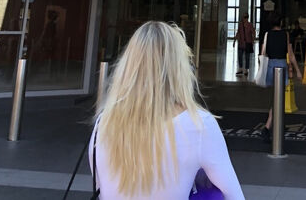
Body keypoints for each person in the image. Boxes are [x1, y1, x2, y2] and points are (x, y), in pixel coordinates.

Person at [90, 21, 245, 200]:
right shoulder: (198, 125)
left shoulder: (103, 123)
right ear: (179, 67)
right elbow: (234, 195)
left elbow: (101, 187)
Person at [260, 13, 301, 140]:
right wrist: (297, 70)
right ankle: (268, 126)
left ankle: (274, 123)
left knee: (275, 97)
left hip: (271, 66)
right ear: (281, 23)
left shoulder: (267, 35)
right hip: (281, 67)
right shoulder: (285, 35)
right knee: (279, 98)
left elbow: (262, 53)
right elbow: (291, 55)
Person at [233, 12, 255, 77]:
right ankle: (240, 69)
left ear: (247, 18)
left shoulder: (250, 25)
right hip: (241, 43)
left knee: (247, 57)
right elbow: (238, 33)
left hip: (248, 43)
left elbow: (253, 33)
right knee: (240, 56)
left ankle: (246, 70)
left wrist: (253, 41)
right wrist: (234, 41)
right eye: (243, 17)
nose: (244, 19)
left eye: (245, 17)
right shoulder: (240, 25)